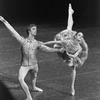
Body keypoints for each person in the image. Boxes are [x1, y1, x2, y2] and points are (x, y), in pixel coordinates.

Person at [0, 16, 63, 100]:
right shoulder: (22, 41)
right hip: (24, 65)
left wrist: (58, 50)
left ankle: (34, 87)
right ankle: (29, 96)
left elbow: (48, 49)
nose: (35, 30)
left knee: (34, 76)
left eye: (36, 29)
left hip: (34, 65)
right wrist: (4, 21)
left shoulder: (37, 43)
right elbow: (13, 32)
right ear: (29, 31)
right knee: (20, 79)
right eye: (33, 29)